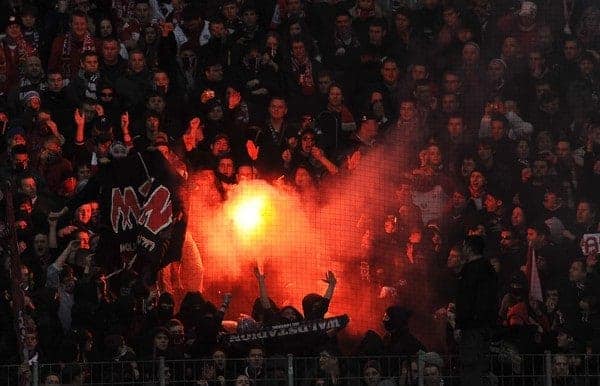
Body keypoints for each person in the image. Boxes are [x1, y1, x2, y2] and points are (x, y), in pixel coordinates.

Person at [454, 235, 498, 385]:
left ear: (468, 248)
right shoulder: (488, 269)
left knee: (471, 368)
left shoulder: (471, 271)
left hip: (472, 330)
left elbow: (467, 300)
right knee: (481, 366)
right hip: (484, 328)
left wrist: (460, 324)